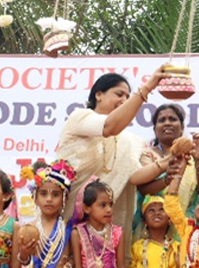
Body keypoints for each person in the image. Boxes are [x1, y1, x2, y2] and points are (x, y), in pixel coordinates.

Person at [56, 67, 168, 251]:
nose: (124, 100)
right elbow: (109, 127)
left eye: (127, 96)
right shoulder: (81, 117)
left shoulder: (129, 140)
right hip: (68, 216)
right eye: (119, 94)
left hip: (103, 225)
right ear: (98, 95)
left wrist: (166, 163)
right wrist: (147, 88)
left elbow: (133, 177)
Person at [128, 104, 199, 224]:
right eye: (161, 120)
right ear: (155, 129)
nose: (167, 123)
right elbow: (142, 188)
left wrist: (198, 161)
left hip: (187, 227)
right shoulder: (146, 155)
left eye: (172, 119)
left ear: (182, 128)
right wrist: (166, 179)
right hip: (153, 227)